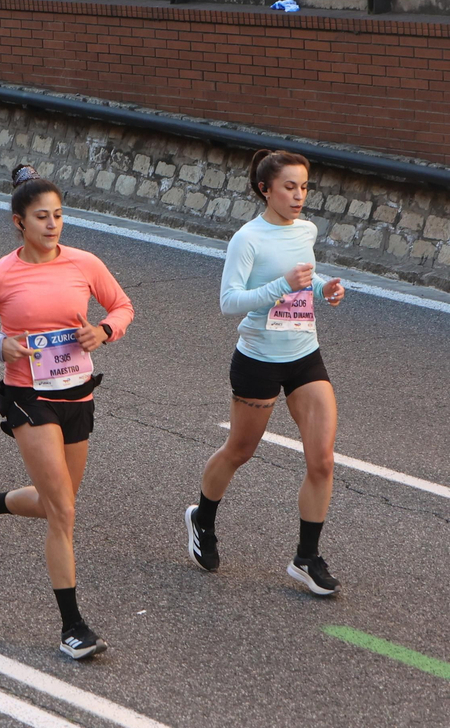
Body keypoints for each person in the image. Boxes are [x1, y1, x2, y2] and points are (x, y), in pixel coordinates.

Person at [0, 165, 134, 660]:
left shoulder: (84, 263)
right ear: (19, 222)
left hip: (77, 393)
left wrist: (105, 332)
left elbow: (122, 307)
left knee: (61, 500)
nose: (53, 225)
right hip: (28, 396)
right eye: (42, 217)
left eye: (58, 216)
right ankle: (72, 627)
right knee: (65, 512)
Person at [185, 149, 346, 596]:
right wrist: (282, 286)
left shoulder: (305, 230)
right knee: (239, 451)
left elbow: (304, 279)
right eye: (289, 187)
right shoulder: (247, 239)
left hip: (304, 354)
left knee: (323, 460)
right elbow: (229, 301)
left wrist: (324, 287)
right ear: (265, 189)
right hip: (258, 359)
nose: (299, 196)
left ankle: (306, 558)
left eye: (304, 187)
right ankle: (202, 518)